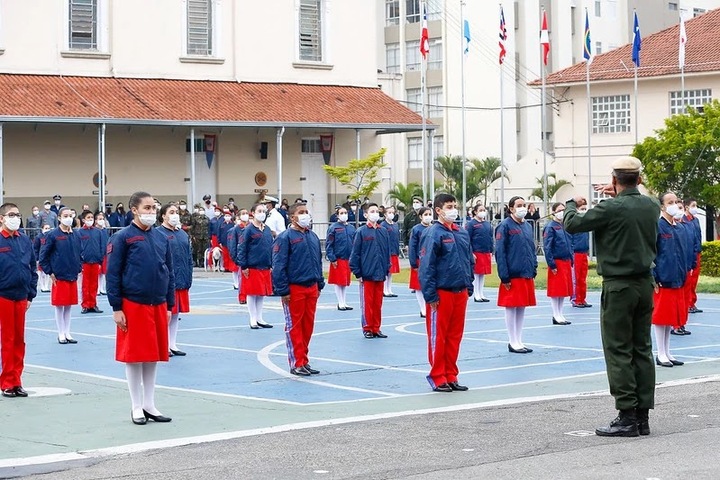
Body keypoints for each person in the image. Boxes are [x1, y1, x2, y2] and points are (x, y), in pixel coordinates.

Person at [564, 156, 659, 437]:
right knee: (642, 348)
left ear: (614, 180)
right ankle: (642, 416)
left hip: (618, 286)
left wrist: (572, 202)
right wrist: (622, 189)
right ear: (639, 179)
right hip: (644, 284)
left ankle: (626, 415)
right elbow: (641, 198)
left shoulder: (610, 207)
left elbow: (572, 223)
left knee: (618, 349)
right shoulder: (651, 205)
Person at [107, 191, 175, 425]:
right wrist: (116, 307)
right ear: (134, 210)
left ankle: (149, 404)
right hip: (133, 304)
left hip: (158, 303)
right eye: (147, 208)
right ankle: (136, 406)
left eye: (154, 208)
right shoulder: (123, 237)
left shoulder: (160, 237)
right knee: (134, 357)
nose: (151, 212)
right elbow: (113, 273)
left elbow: (169, 272)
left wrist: (169, 304)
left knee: (153, 356)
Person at [419, 193, 474, 393]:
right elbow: (426, 266)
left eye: (454, 206)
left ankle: (451, 374)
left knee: (454, 336)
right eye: (449, 206)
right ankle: (438, 375)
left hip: (460, 291)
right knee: (438, 336)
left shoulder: (460, 232)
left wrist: (469, 285)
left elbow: (469, 260)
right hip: (442, 292)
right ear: (439, 210)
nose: (453, 210)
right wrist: (431, 294)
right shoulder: (433, 233)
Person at [272, 203, 325, 376]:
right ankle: (297, 362)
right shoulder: (285, 237)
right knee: (294, 326)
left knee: (307, 326)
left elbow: (317, 262)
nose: (305, 215)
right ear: (292, 217)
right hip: (294, 289)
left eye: (307, 212)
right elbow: (279, 265)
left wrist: (319, 284)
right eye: (301, 213)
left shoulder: (313, 236)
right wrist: (283, 290)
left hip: (311, 287)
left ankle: (304, 359)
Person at [0, 203, 38, 398]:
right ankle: (7, 381)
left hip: (21, 296)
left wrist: (31, 294)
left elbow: (32, 267)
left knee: (19, 341)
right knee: (7, 340)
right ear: (2, 218)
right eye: (11, 214)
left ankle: (17, 380)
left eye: (17, 214)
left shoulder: (24, 240)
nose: (15, 218)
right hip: (4, 296)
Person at [495, 196, 537, 354]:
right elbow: (500, 252)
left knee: (521, 307)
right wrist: (504, 275)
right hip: (512, 274)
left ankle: (519, 339)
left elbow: (530, 248)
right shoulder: (504, 226)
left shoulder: (527, 226)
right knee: (511, 307)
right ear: (511, 208)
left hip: (525, 272)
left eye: (524, 205)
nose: (523, 208)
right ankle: (512, 341)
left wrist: (533, 267)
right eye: (519, 205)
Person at [652, 192, 687, 368]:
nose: (674, 204)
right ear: (662, 206)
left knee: (670, 317)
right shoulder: (658, 226)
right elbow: (652, 253)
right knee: (661, 317)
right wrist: (654, 276)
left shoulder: (678, 227)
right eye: (670, 202)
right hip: (663, 279)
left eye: (676, 201)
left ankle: (667, 351)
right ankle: (660, 353)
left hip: (677, 277)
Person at [39, 207, 82, 344]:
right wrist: (50, 272)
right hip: (59, 276)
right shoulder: (53, 235)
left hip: (72, 275)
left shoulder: (76, 235)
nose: (68, 218)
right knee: (59, 305)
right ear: (59, 218)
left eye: (70, 215)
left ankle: (68, 332)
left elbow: (78, 253)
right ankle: (60, 333)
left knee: (69, 305)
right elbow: (43, 255)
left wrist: (78, 267)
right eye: (65, 215)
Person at [156, 203, 193, 357]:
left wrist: (188, 277)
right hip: (166, 282)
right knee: (165, 314)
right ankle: (162, 345)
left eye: (176, 212)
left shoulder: (183, 234)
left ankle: (172, 344)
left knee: (176, 314)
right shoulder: (158, 233)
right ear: (163, 215)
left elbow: (188, 257)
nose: (175, 215)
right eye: (171, 212)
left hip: (181, 280)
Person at [349, 203, 391, 339]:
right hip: (366, 273)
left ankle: (376, 327)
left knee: (378, 303)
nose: (375, 214)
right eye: (372, 211)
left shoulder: (383, 231)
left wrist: (387, 267)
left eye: (376, 211)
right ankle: (367, 327)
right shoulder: (361, 231)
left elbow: (386, 251)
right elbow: (355, 253)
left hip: (380, 272)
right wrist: (358, 272)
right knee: (367, 303)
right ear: (366, 215)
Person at [236, 203, 274, 329]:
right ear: (253, 212)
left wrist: (271, 263)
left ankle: (259, 318)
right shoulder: (248, 230)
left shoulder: (267, 229)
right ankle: (252, 319)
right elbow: (242, 248)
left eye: (264, 211)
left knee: (261, 293)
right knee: (252, 293)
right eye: (259, 211)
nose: (262, 213)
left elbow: (271, 247)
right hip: (252, 267)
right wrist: (244, 266)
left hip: (265, 266)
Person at [543, 202, 573, 325]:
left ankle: (560, 313)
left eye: (563, 210)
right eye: (559, 210)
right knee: (556, 291)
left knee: (563, 291)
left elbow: (570, 243)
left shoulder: (565, 226)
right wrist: (551, 263)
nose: (562, 212)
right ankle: (555, 314)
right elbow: (547, 247)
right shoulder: (550, 227)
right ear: (554, 212)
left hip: (566, 261)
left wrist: (571, 259)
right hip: (557, 262)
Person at [671, 203, 696, 336]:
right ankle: (675, 325)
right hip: (676, 269)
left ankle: (681, 323)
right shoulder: (669, 227)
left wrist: (692, 264)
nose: (678, 210)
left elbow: (691, 246)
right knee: (676, 299)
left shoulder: (687, 226)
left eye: (680, 207)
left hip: (686, 267)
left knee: (685, 298)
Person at [325, 206, 356, 311]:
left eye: (345, 212)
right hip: (338, 258)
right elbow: (329, 244)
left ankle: (344, 301)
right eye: (341, 213)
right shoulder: (333, 228)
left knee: (345, 281)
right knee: (338, 281)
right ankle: (340, 302)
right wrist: (332, 258)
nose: (344, 215)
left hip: (348, 258)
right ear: (337, 215)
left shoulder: (351, 228)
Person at [77, 210, 104, 314]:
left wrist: (100, 259)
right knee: (85, 285)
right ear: (83, 220)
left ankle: (93, 304)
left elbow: (102, 246)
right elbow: (78, 247)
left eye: (92, 218)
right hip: (85, 262)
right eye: (88, 218)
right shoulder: (80, 232)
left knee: (94, 284)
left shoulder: (98, 232)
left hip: (96, 261)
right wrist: (80, 259)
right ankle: (85, 305)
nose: (90, 220)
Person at [465, 204, 493, 303]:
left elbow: (490, 238)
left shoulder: (487, 224)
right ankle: (476, 294)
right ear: (475, 212)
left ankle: (481, 293)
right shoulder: (471, 224)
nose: (482, 211)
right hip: (476, 252)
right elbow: (467, 239)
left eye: (484, 210)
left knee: (483, 274)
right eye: (480, 210)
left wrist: (491, 250)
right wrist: (471, 252)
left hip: (485, 251)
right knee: (476, 273)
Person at [409, 207, 433, 317]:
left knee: (429, 284)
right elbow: (412, 246)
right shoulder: (416, 229)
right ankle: (423, 308)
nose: (428, 216)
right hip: (419, 260)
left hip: (431, 260)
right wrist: (413, 262)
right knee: (418, 286)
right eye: (426, 214)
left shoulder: (434, 228)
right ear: (420, 217)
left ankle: (429, 307)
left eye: (430, 214)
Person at [683, 198, 703, 315]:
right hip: (690, 253)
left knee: (694, 279)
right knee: (689, 279)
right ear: (687, 207)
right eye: (693, 205)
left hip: (697, 252)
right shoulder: (684, 221)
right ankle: (688, 302)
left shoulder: (695, 220)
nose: (695, 208)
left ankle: (692, 302)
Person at [570, 206, 592, 308]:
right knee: (576, 277)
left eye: (585, 208)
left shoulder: (585, 224)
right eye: (582, 208)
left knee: (583, 278)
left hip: (584, 252)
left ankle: (582, 298)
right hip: (576, 252)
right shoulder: (573, 224)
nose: (584, 210)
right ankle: (575, 299)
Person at [228, 209, 249, 297]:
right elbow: (232, 244)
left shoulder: (251, 227)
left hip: (250, 257)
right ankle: (242, 296)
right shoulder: (236, 229)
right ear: (239, 217)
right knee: (241, 279)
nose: (246, 215)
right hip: (241, 257)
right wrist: (236, 258)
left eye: (246, 213)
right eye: (243, 214)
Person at [381, 205, 400, 297]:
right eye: (389, 213)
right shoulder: (383, 225)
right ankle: (384, 289)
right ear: (385, 214)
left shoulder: (395, 225)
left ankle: (389, 289)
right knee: (386, 271)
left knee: (391, 272)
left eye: (393, 213)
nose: (391, 214)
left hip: (394, 251)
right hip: (386, 252)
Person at [34, 224, 52, 293]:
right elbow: (36, 248)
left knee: (47, 272)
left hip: (48, 257)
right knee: (40, 273)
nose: (47, 229)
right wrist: (37, 258)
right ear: (42, 229)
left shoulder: (50, 236)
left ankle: (46, 286)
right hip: (40, 257)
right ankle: (42, 286)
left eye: (49, 228)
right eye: (46, 228)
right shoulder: (38, 237)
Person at [94, 211, 110, 296]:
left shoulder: (104, 230)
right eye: (100, 219)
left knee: (104, 273)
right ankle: (97, 289)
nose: (102, 220)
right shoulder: (95, 231)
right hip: (98, 254)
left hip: (105, 254)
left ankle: (102, 288)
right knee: (97, 273)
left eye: (103, 219)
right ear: (96, 220)